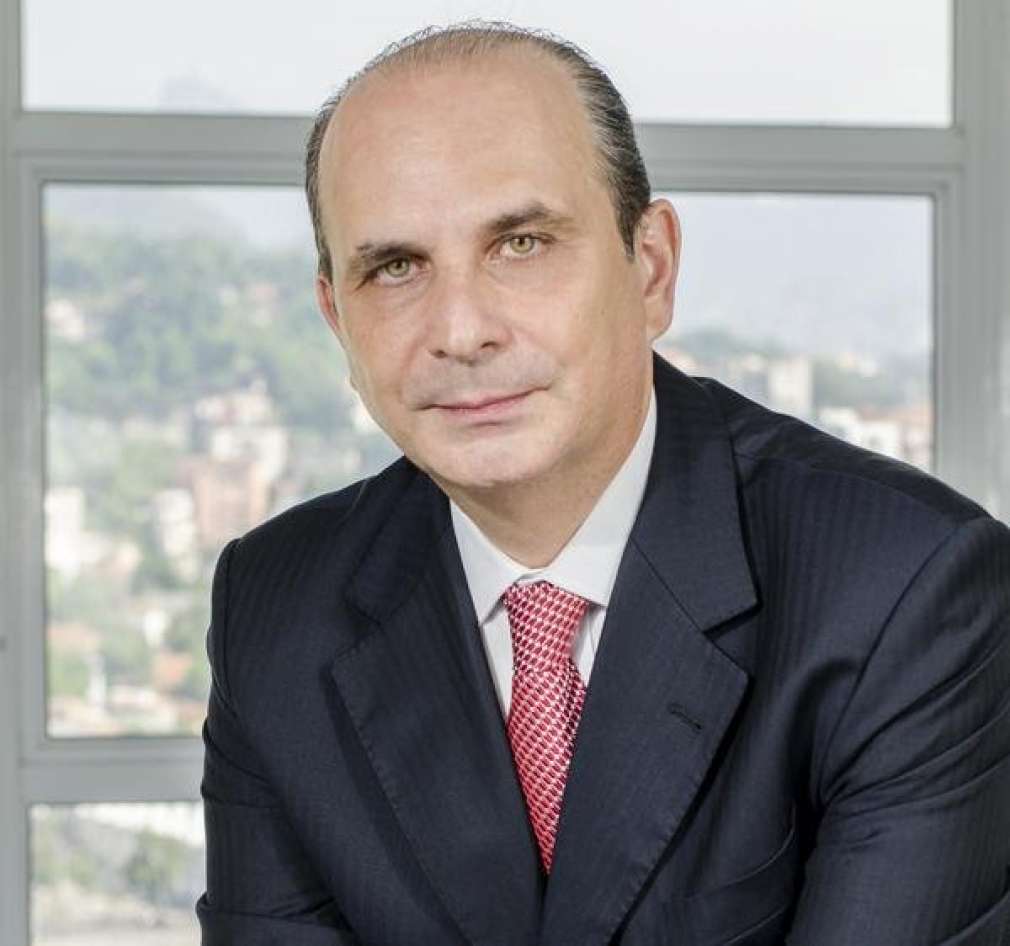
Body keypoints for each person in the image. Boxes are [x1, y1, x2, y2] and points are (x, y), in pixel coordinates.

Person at [195, 20, 1010, 946]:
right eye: (395, 267)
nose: (461, 331)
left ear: (650, 268)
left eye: (522, 243)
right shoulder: (275, 607)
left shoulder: (908, 590)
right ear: (338, 319)